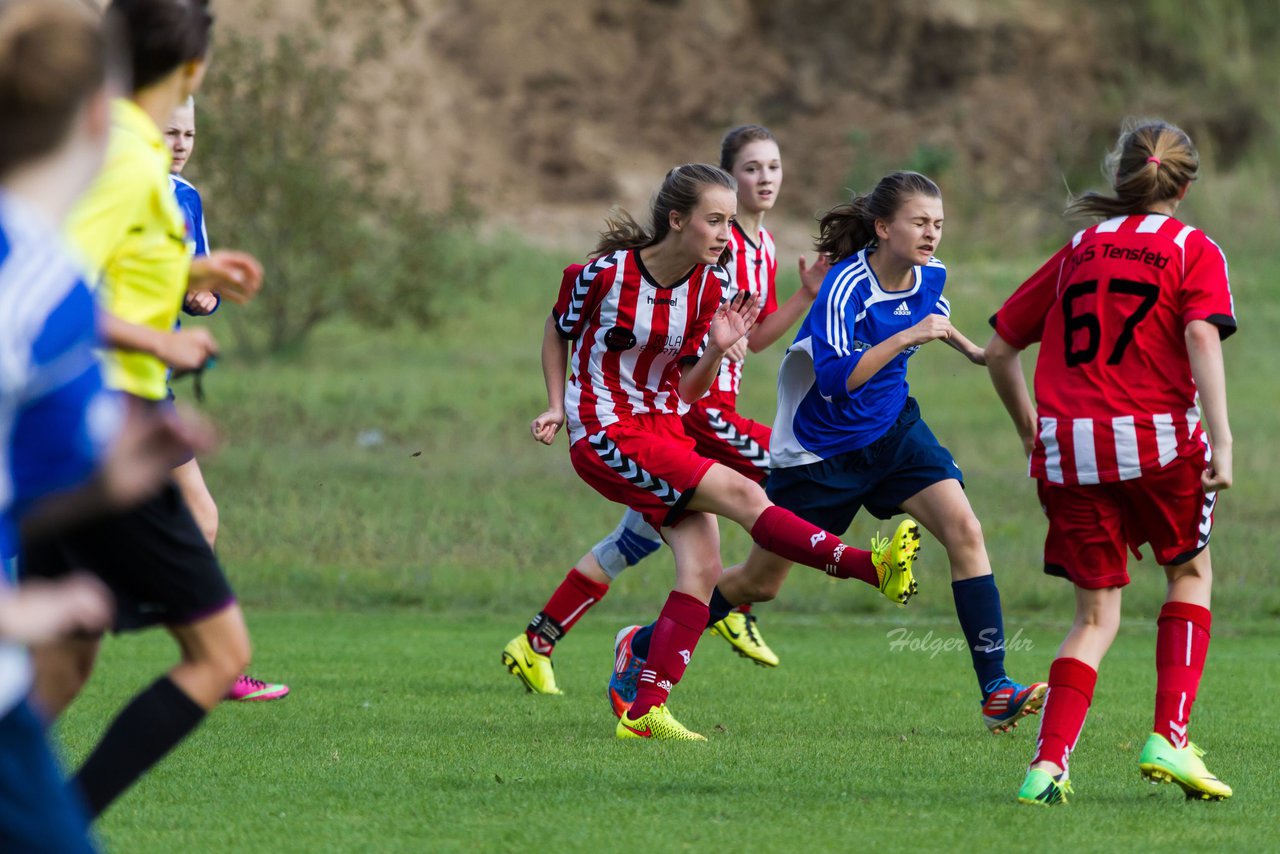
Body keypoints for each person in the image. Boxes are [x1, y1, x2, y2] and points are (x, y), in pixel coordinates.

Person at [609, 171, 1046, 735]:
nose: (932, 234)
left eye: (938, 224)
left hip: (894, 436)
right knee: (759, 585)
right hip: (820, 456)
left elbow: (930, 317)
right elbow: (840, 381)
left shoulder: (931, 276)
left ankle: (996, 688)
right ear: (884, 227)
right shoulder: (845, 286)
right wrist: (910, 337)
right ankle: (642, 644)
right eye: (920, 222)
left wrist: (979, 353)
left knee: (966, 531)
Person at [533, 163, 919, 741]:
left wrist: (715, 352)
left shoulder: (710, 290)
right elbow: (557, 328)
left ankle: (645, 711)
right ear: (676, 220)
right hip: (604, 430)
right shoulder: (602, 276)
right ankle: (870, 568)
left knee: (704, 565)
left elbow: (684, 391)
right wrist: (556, 405)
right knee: (743, 492)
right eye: (714, 221)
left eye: (729, 223)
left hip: (662, 427)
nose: (723, 234)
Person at [18, 0, 266, 819]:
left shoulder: (121, 148)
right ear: (191, 71)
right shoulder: (123, 155)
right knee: (218, 650)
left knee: (62, 662)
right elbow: (51, 280)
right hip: (103, 427)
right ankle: (59, 824)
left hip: (90, 424)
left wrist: (194, 275)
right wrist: (158, 346)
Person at [502, 124, 830, 693]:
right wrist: (560, 404)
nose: (765, 179)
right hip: (693, 410)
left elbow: (753, 340)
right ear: (726, 176)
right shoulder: (706, 249)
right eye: (752, 168)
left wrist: (804, 296)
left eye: (774, 167)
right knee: (794, 471)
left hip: (674, 407)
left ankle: (540, 639)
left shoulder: (762, 248)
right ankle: (736, 601)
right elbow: (576, 328)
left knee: (644, 534)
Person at [0, 0, 209, 848]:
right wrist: (20, 615)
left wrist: (105, 479)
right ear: (101, 114)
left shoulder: (44, 277)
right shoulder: (41, 291)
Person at [987, 120, 1236, 805]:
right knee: (1188, 573)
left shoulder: (1077, 248)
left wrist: (1031, 432)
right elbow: (1200, 337)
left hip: (1070, 450)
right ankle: (1170, 737)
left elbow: (1003, 346)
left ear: (1122, 177)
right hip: (1158, 442)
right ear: (1183, 187)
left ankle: (1046, 768)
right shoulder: (1193, 248)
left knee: (1095, 616)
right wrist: (1222, 438)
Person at [162, 96, 288, 702]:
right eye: (169, 130)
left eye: (188, 131)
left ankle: (215, 665)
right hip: (109, 380)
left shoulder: (186, 197)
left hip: (147, 382)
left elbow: (193, 278)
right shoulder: (115, 192)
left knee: (200, 518)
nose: (181, 141)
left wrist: (205, 296)